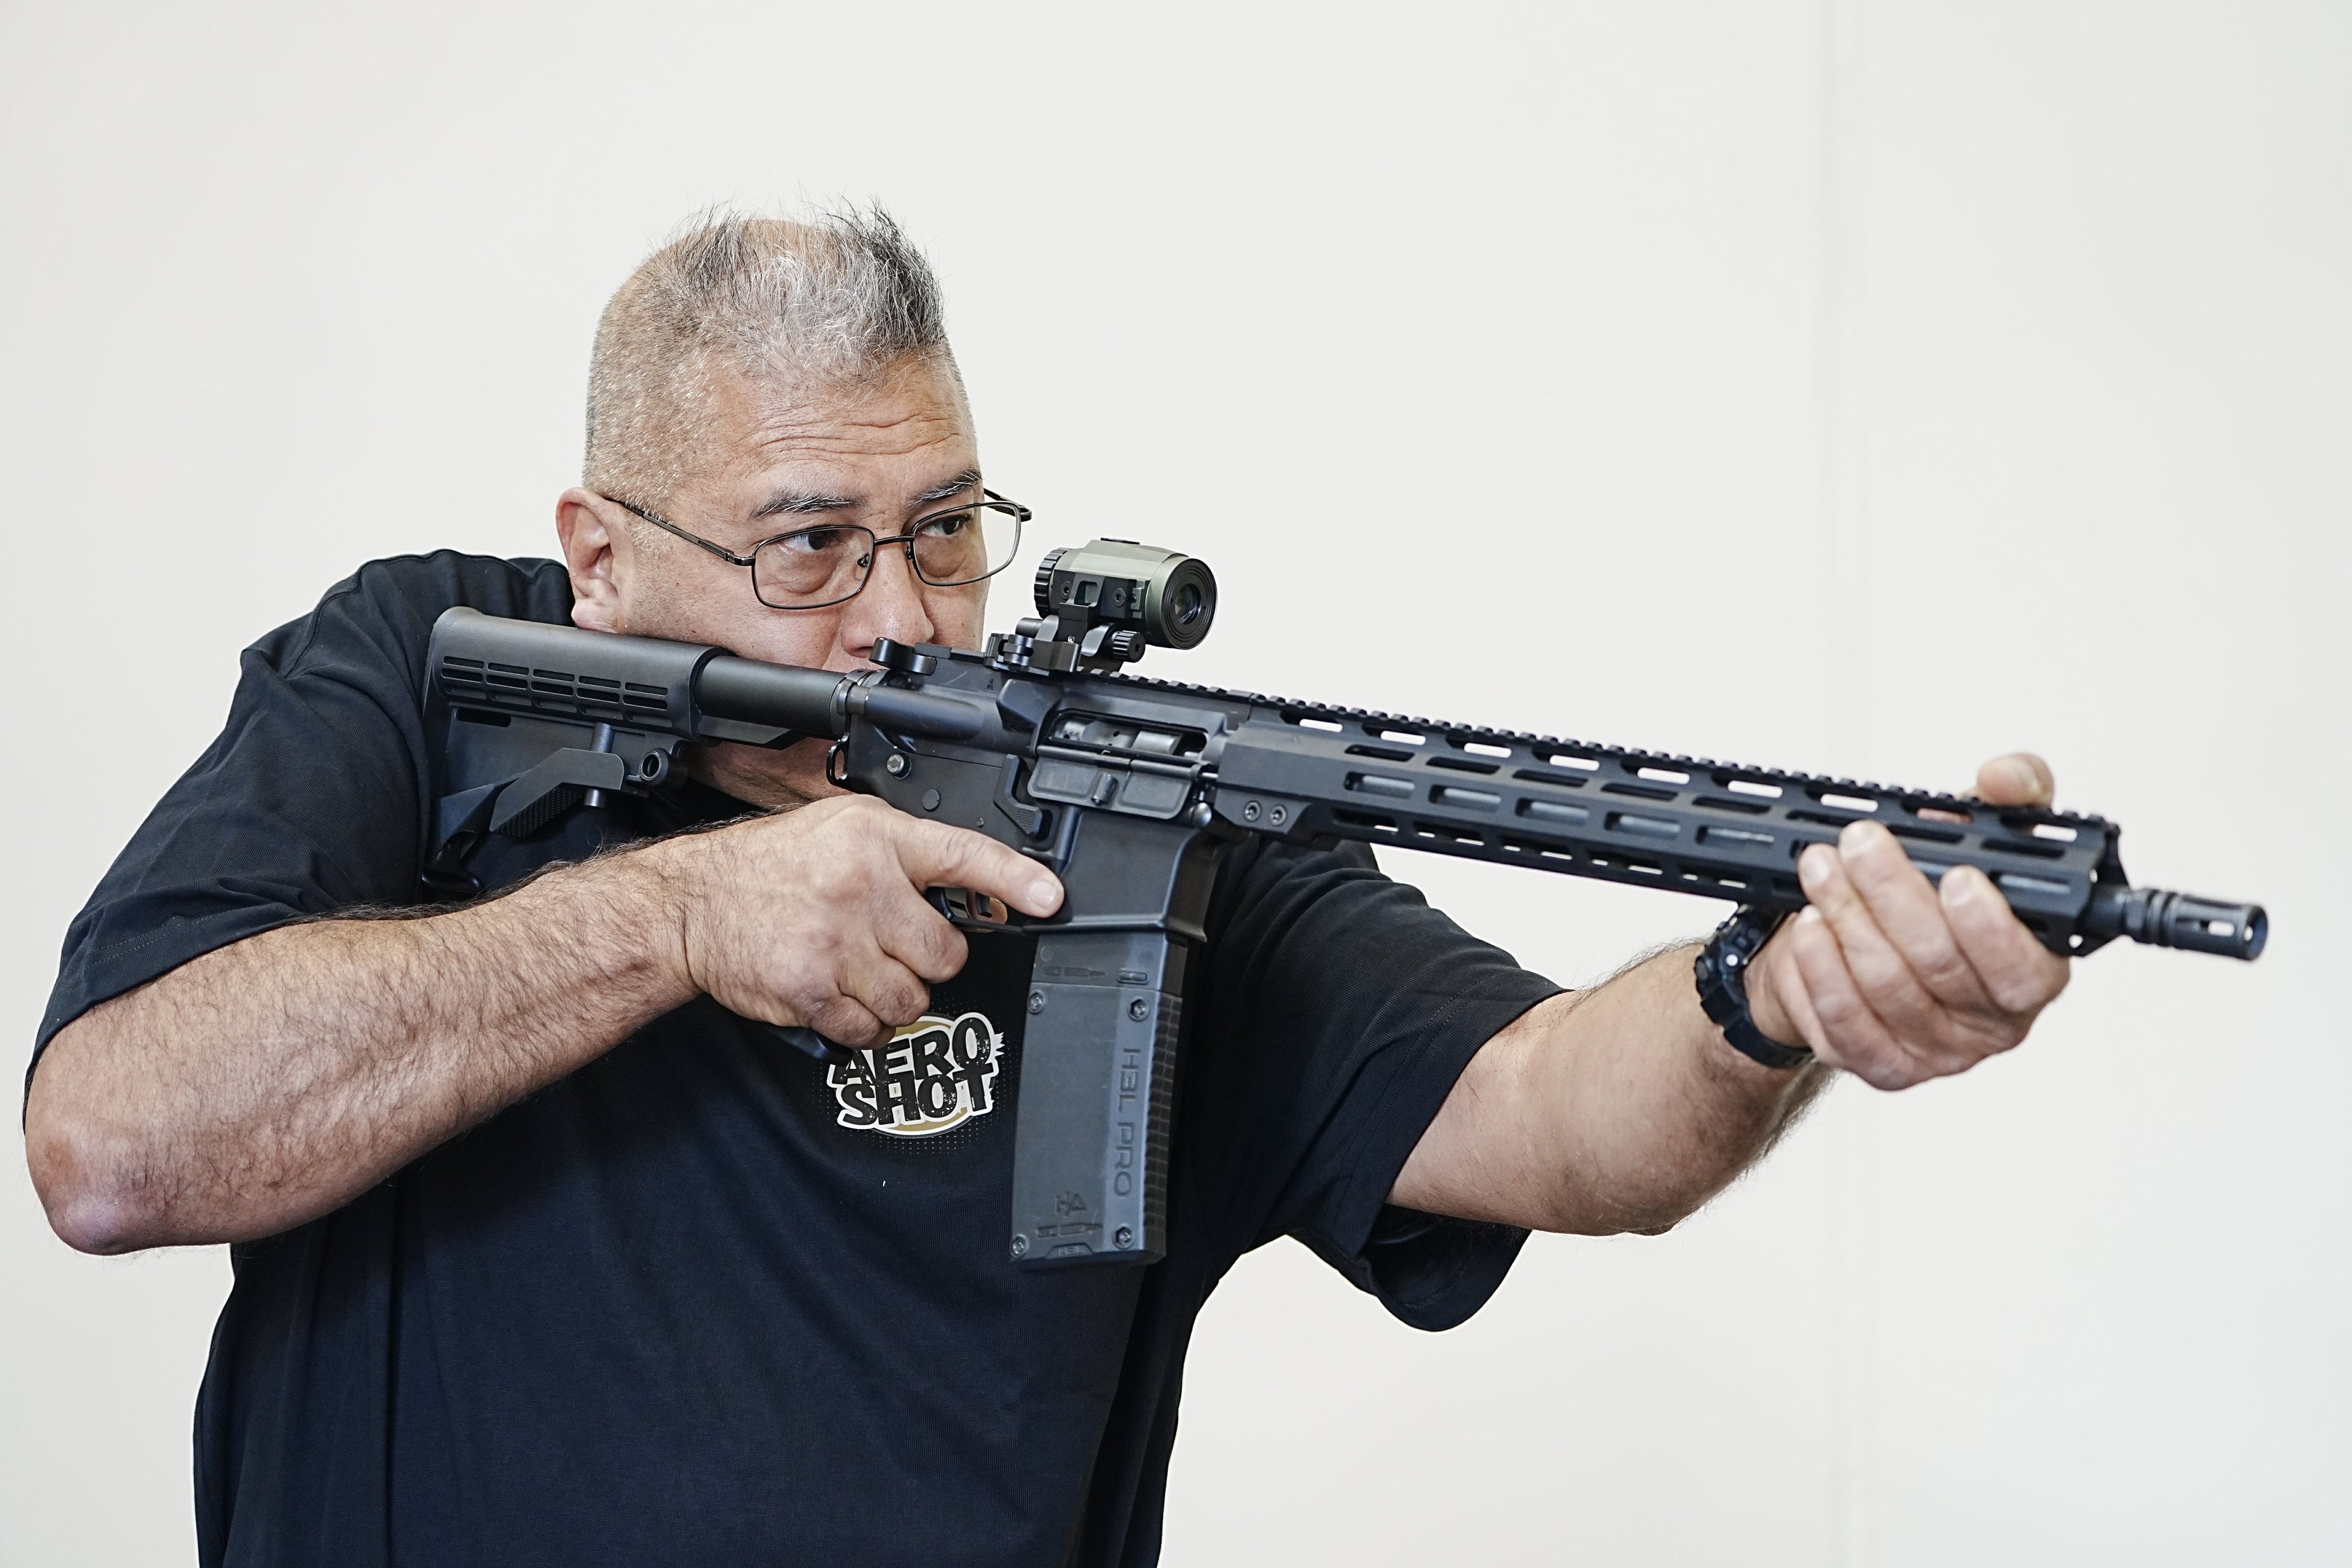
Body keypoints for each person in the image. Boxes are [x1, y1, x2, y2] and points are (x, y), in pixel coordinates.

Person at [24, 209, 2068, 1567]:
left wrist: (1765, 997)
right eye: (810, 547)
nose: (903, 617)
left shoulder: (1132, 817)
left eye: (946, 531)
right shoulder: (410, 679)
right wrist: (675, 919)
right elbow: (111, 1145)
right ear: (601, 553)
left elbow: (1548, 1110)